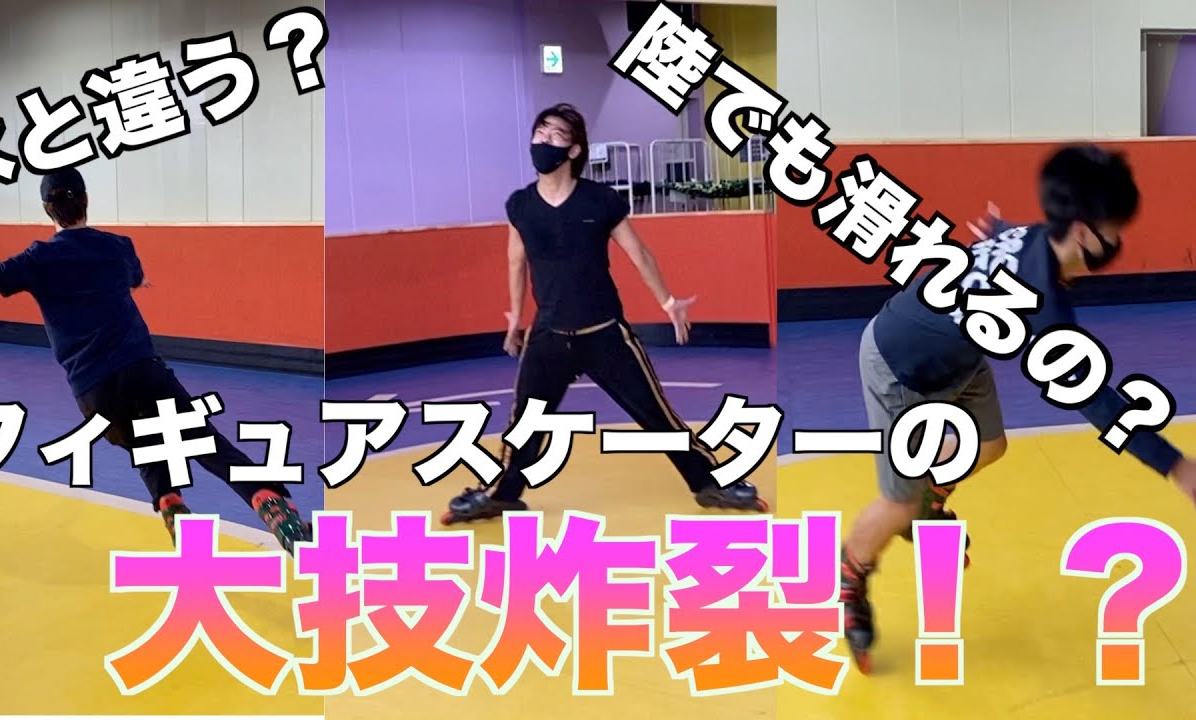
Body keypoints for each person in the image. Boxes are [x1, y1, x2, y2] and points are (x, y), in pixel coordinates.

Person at [839, 143, 1196, 673]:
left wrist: (998, 228)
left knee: (990, 445)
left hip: (958, 354)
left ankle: (931, 500)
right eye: (1113, 231)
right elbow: (1096, 400)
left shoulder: (1040, 238)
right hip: (899, 364)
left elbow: (1014, 238)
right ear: (1082, 231)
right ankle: (850, 575)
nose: (1118, 243)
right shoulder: (1043, 303)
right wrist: (1175, 466)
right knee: (898, 502)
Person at [0, 167, 313, 553]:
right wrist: (133, 282)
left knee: (146, 445)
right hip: (142, 370)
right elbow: (134, 275)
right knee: (207, 444)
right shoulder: (118, 246)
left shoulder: (37, 260)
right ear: (86, 200)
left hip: (94, 392)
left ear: (47, 210)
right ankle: (273, 507)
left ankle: (174, 511)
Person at [440, 103, 768, 525]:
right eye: (539, 133)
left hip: (605, 334)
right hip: (549, 335)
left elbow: (639, 253)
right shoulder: (520, 205)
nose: (543, 142)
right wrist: (516, 318)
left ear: (574, 149)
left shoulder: (600, 200)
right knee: (525, 422)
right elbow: (515, 262)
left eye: (555, 135)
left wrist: (668, 302)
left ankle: (710, 484)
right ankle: (501, 495)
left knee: (656, 413)